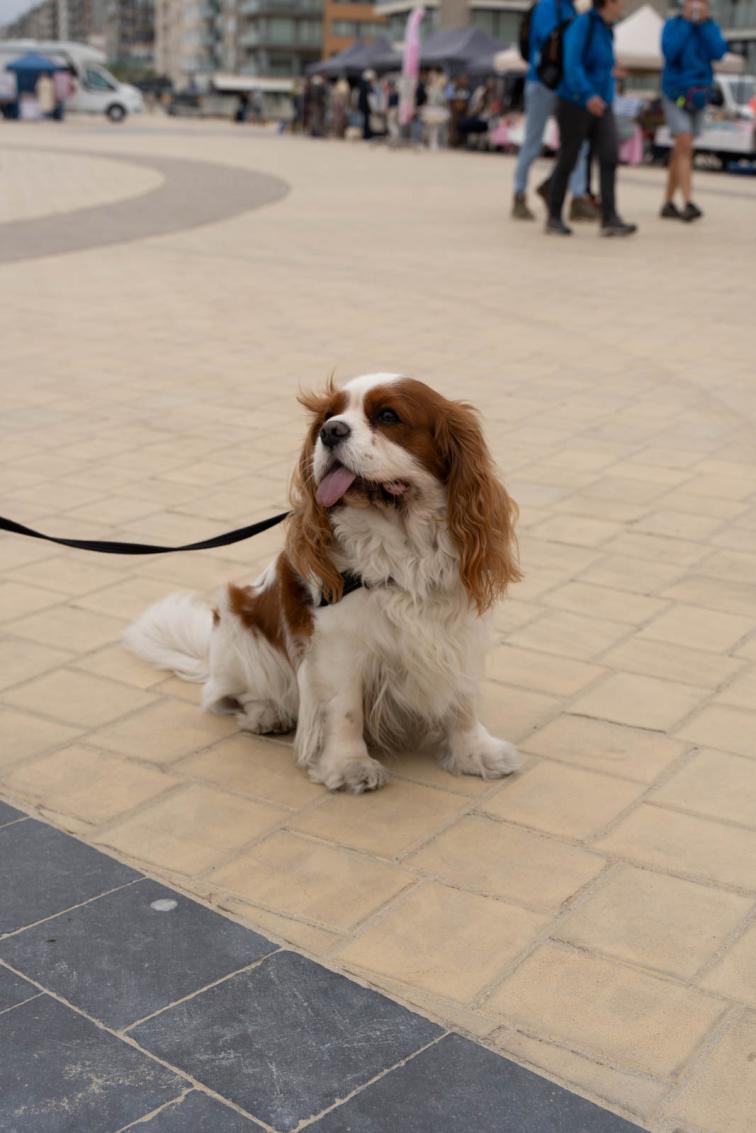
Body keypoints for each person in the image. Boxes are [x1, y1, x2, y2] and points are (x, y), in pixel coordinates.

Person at [546, 0, 637, 236]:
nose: (623, 4)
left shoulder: (608, 28)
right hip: (575, 101)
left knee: (609, 156)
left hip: (603, 103)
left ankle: (610, 218)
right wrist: (588, 95)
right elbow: (572, 63)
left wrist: (612, 76)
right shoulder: (582, 24)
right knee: (569, 157)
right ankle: (554, 216)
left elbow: (602, 65)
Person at [513, 0, 597, 222]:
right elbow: (551, 39)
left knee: (577, 143)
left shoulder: (569, 7)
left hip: (564, 84)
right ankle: (519, 194)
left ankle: (577, 197)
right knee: (533, 143)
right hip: (541, 82)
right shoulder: (547, 6)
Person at [660, 0, 727, 221]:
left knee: (681, 149)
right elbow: (670, 52)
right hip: (675, 93)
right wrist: (687, 24)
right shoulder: (673, 25)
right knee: (685, 144)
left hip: (699, 94)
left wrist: (705, 25)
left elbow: (719, 52)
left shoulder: (710, 26)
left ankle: (667, 202)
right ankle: (688, 201)